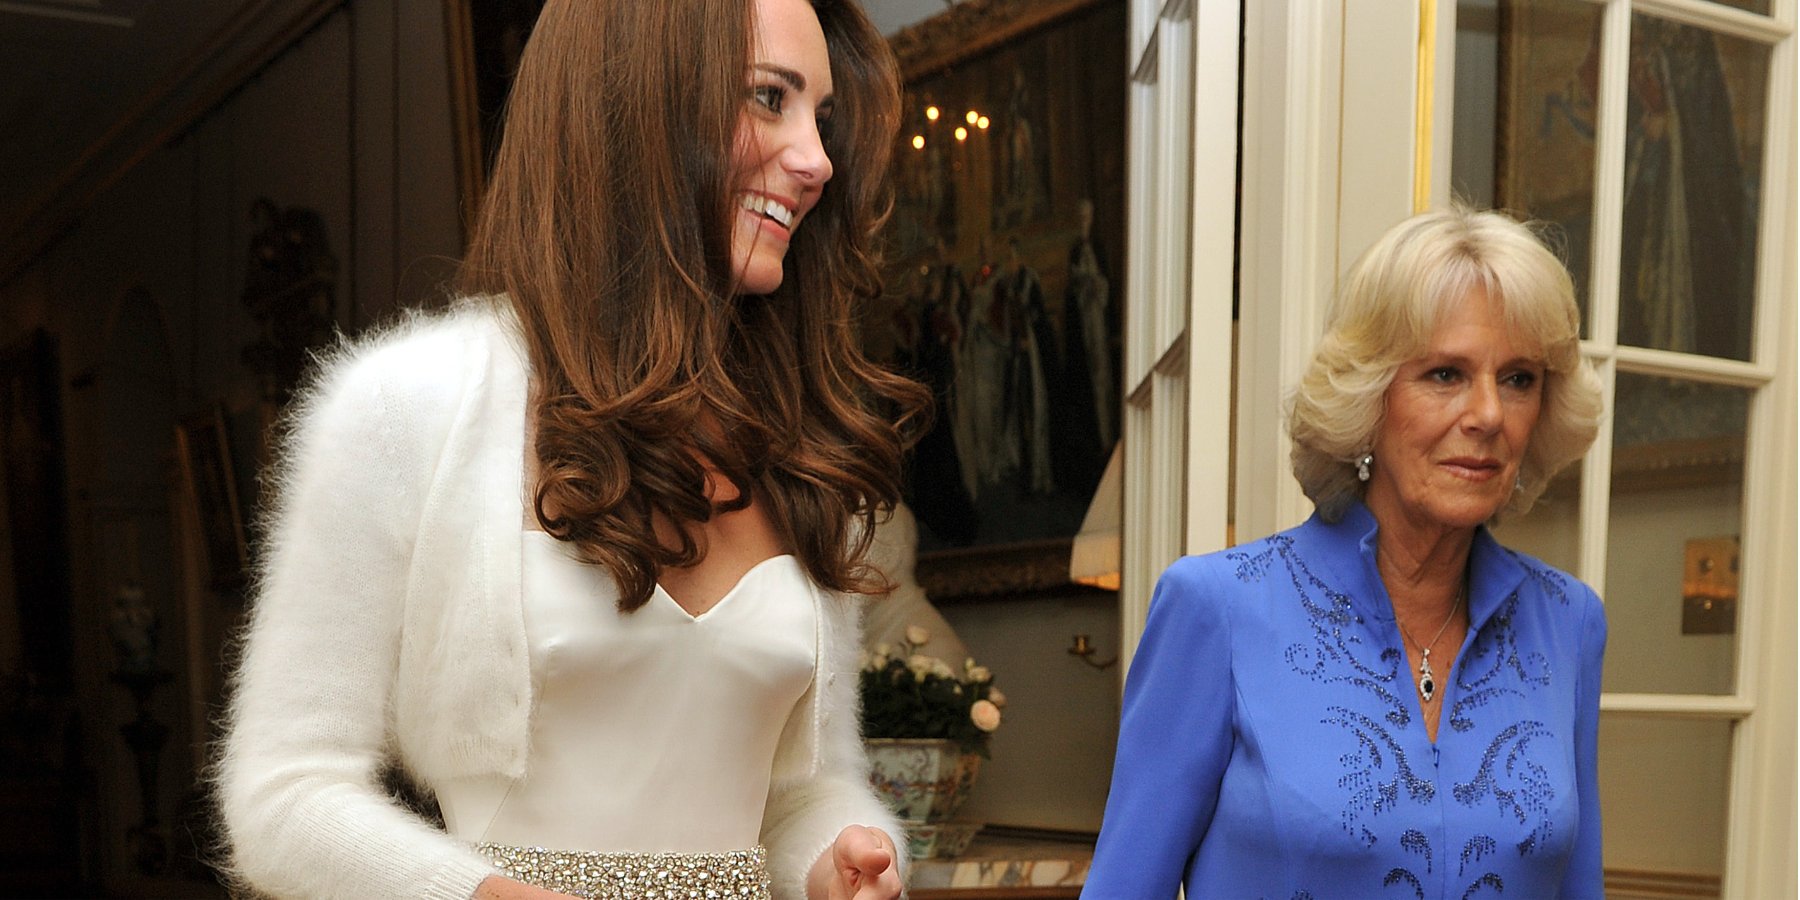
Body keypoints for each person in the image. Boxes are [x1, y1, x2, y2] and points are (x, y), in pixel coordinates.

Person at [214, 1, 928, 898]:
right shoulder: (404, 405)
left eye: (821, 118)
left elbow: (805, 789)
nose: (817, 160)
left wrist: (839, 860)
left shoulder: (797, 443)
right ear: (635, 104)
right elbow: (282, 794)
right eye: (768, 97)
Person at [1084, 208, 1608, 898]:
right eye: (1445, 374)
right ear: (1369, 397)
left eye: (1518, 379)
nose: (1487, 414)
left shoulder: (1567, 621)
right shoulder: (1218, 608)